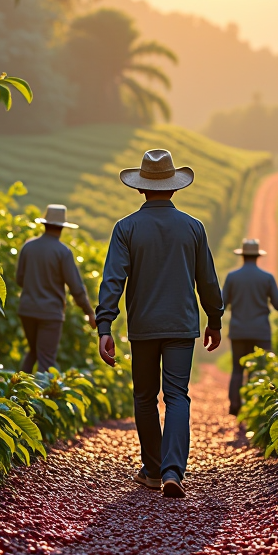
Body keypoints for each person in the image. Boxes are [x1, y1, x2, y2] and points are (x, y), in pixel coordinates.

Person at [96, 148, 223, 499]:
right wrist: (214, 319)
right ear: (175, 187)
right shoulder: (193, 227)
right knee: (177, 395)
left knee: (145, 397)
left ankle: (152, 470)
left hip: (143, 326)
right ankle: (173, 471)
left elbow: (113, 280)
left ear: (140, 188)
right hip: (182, 325)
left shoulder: (125, 228)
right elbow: (207, 280)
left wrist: (105, 326)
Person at [15, 204, 96, 373]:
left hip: (27, 309)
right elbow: (76, 287)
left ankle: (18, 388)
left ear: (45, 224)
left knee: (34, 352)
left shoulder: (28, 246)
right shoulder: (63, 252)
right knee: (46, 359)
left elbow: (19, 280)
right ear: (62, 228)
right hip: (50, 313)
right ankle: (43, 391)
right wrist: (89, 312)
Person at [222, 238, 278, 416]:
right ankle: (257, 407)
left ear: (242, 256)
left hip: (238, 331)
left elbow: (222, 304)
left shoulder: (232, 277)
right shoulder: (267, 278)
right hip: (261, 332)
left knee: (237, 369)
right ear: (257, 256)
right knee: (260, 369)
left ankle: (235, 405)